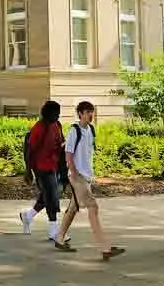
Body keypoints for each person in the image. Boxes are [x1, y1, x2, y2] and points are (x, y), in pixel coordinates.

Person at [54, 101, 124, 261]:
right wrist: (75, 174)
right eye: (87, 112)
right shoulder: (74, 130)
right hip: (77, 177)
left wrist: (88, 175)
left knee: (72, 208)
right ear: (80, 114)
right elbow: (68, 155)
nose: (91, 115)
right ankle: (104, 247)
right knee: (93, 207)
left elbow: (87, 154)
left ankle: (59, 237)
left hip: (86, 177)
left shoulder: (91, 130)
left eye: (92, 111)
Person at [20, 100, 67, 242]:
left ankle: (28, 216)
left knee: (49, 194)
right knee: (52, 195)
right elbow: (30, 151)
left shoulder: (57, 125)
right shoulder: (39, 128)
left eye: (59, 113)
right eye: (55, 114)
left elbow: (60, 143)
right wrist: (28, 170)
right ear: (47, 113)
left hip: (54, 165)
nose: (58, 116)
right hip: (41, 167)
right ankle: (53, 230)